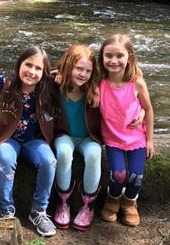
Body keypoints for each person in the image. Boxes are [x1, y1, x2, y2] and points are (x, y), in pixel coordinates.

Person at [0, 46, 59, 237]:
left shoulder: (47, 89)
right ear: (19, 64)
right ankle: (6, 210)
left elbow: (77, 78)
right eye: (28, 65)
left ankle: (39, 210)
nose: (32, 71)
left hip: (34, 141)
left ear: (44, 73)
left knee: (49, 161)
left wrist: (61, 73)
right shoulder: (7, 84)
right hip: (8, 139)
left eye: (38, 68)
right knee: (5, 159)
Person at [99, 34, 154, 227]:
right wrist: (60, 73)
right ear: (102, 57)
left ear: (129, 57)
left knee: (136, 175)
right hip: (113, 139)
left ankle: (130, 203)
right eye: (109, 55)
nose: (114, 61)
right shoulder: (100, 82)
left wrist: (149, 140)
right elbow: (76, 74)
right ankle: (113, 199)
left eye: (119, 56)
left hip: (136, 138)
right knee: (119, 174)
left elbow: (148, 109)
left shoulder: (137, 83)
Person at [53, 44, 103, 232]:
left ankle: (87, 205)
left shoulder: (94, 89)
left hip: (88, 138)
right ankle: (63, 201)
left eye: (88, 70)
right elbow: (36, 74)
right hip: (65, 135)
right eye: (78, 68)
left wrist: (140, 110)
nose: (83, 74)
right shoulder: (55, 84)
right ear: (67, 67)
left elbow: (123, 89)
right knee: (64, 152)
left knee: (94, 154)